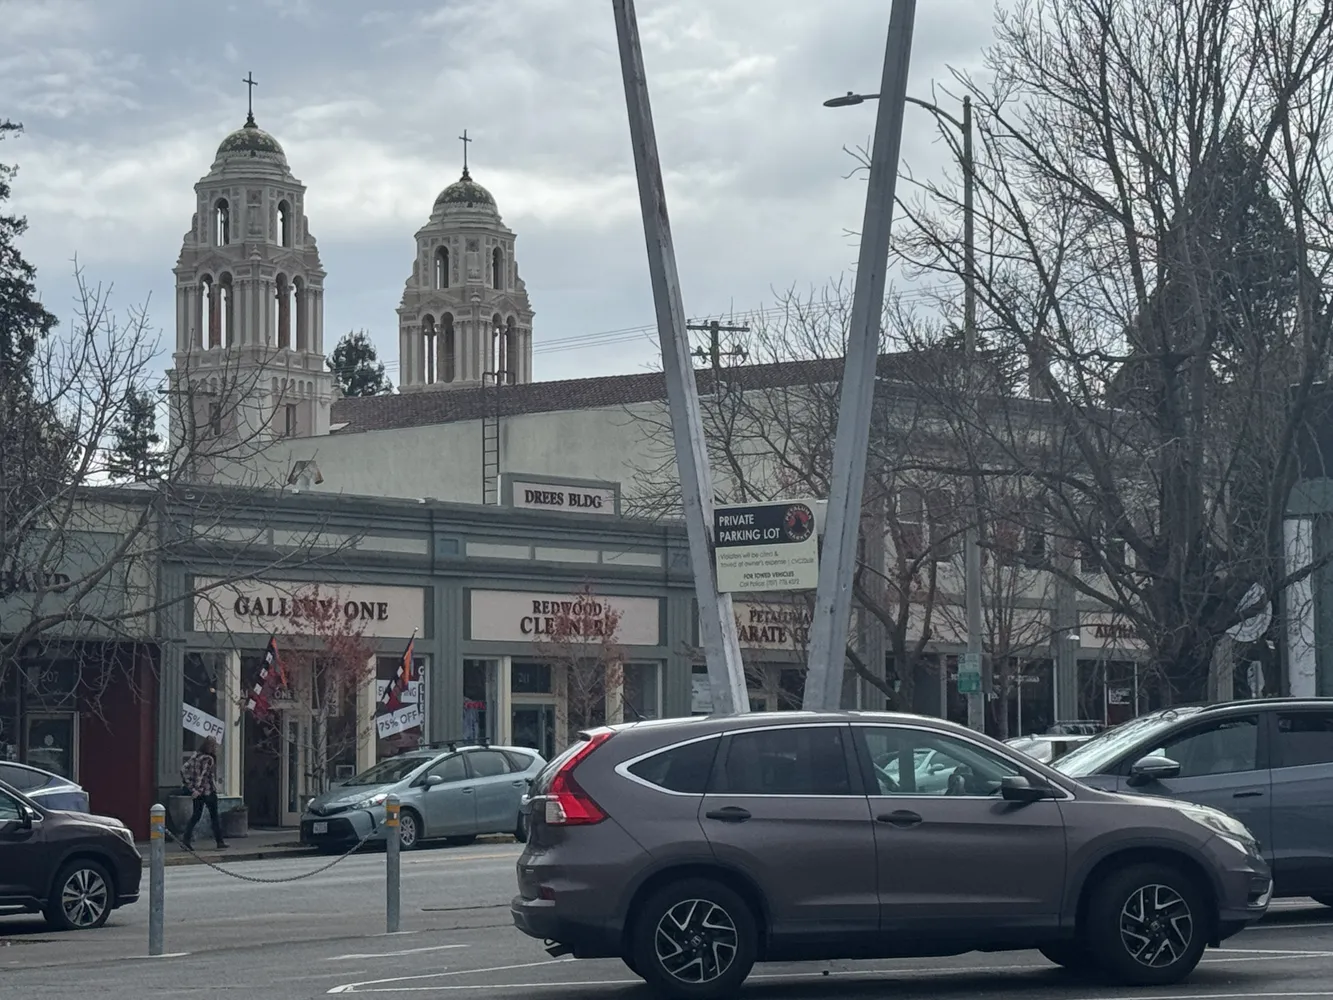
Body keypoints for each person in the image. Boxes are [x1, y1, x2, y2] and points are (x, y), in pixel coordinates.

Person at [180, 737, 228, 851]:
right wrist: (198, 789)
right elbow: (203, 776)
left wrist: (190, 786)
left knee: (196, 816)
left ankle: (186, 840)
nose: (215, 748)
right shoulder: (209, 759)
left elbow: (183, 769)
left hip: (198, 792)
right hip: (208, 791)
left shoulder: (195, 756)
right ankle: (219, 841)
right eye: (214, 746)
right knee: (214, 816)